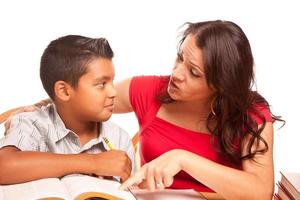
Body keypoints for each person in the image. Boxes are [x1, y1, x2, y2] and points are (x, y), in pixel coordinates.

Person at [4, 20, 283, 200]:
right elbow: (86, 97)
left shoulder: (251, 113)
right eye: (180, 57)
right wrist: (38, 108)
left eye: (193, 72)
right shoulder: (151, 91)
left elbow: (259, 191)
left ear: (221, 85)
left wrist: (183, 159)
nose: (176, 73)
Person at [0, 35, 135, 184]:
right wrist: (94, 163)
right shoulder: (32, 124)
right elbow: (3, 166)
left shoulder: (119, 138)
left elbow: (132, 192)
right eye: (101, 84)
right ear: (64, 91)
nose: (113, 92)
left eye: (112, 81)